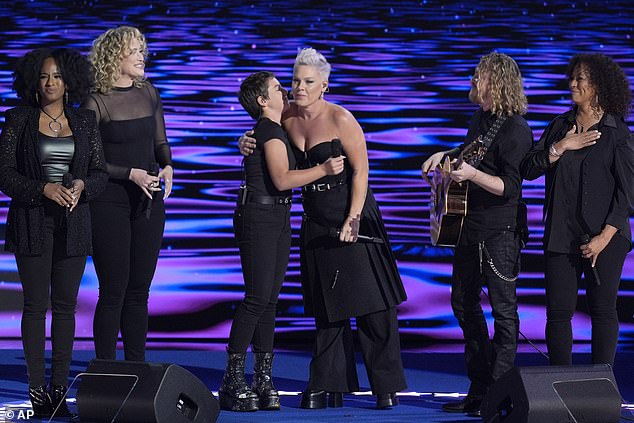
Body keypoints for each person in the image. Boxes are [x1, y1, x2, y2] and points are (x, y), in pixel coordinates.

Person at [239, 48, 407, 410]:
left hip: (353, 213)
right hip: (315, 219)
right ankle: (327, 383)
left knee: (373, 305)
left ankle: (385, 385)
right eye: (295, 80)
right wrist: (245, 139)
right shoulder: (285, 116)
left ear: (324, 86)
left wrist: (354, 217)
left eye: (308, 82)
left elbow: (361, 171)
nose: (299, 87)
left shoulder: (341, 119)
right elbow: (263, 130)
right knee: (328, 307)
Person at [219, 71, 344, 412]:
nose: (286, 90)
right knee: (257, 298)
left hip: (277, 217)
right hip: (259, 218)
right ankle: (232, 380)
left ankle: (262, 378)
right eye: (277, 88)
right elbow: (283, 178)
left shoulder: (274, 128)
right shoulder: (269, 131)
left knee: (269, 301)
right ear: (262, 101)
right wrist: (324, 170)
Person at [421, 52, 532, 416]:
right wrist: (444, 154)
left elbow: (510, 187)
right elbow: (474, 155)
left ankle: (499, 394)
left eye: (478, 76)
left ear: (496, 82)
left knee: (503, 312)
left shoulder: (516, 129)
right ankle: (481, 385)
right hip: (470, 228)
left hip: (500, 232)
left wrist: (471, 176)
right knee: (462, 304)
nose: (473, 80)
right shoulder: (482, 119)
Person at [0, 48, 107, 418]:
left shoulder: (85, 121)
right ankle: (36, 390)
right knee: (34, 307)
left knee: (65, 308)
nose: (50, 83)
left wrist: (81, 185)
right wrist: (41, 188)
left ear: (69, 82)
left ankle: (60, 388)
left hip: (73, 224)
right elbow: (5, 175)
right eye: (45, 76)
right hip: (32, 222)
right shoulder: (18, 120)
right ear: (34, 80)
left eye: (57, 77)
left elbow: (99, 173)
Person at [520, 53, 634, 367]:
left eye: (580, 78)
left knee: (602, 309)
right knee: (558, 314)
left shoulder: (617, 133)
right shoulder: (560, 127)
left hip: (606, 237)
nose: (572, 83)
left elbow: (627, 195)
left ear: (597, 85)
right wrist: (559, 148)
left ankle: (602, 382)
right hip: (561, 234)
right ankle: (561, 383)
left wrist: (603, 238)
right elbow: (528, 168)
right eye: (572, 77)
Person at [84, 26, 173, 361]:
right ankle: (105, 370)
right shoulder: (96, 102)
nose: (142, 56)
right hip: (110, 201)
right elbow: (90, 161)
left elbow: (160, 143)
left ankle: (136, 368)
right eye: (135, 51)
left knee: (139, 291)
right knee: (113, 290)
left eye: (142, 50)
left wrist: (167, 166)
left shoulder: (149, 92)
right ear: (114, 57)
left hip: (148, 199)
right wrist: (130, 174)